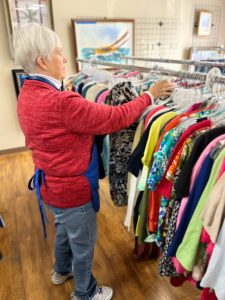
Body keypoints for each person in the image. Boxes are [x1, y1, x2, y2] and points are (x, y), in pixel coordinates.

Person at [13, 24, 175, 300]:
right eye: (59, 53)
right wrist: (149, 96)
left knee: (63, 230)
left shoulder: (27, 93)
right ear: (42, 61)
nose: (64, 59)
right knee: (84, 244)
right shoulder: (62, 102)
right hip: (72, 192)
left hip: (49, 186)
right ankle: (84, 292)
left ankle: (60, 270)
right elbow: (114, 118)